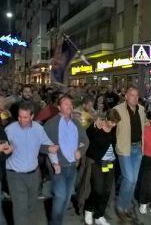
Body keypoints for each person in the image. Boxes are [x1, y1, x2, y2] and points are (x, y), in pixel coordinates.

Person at [4, 102, 60, 225]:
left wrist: (55, 163)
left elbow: (50, 146)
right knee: (20, 207)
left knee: (31, 205)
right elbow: (1, 150)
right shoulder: (10, 130)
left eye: (25, 117)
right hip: (15, 174)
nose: (21, 120)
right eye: (19, 117)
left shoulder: (38, 129)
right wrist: (5, 150)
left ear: (32, 116)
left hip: (33, 174)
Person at [44, 94, 90, 225]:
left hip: (72, 167)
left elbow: (85, 140)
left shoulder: (76, 122)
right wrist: (48, 148)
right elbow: (39, 144)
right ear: (59, 107)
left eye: (71, 104)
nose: (70, 106)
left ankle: (59, 221)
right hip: (58, 167)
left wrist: (80, 151)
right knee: (60, 196)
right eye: (66, 104)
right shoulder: (51, 124)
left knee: (66, 198)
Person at [113, 86, 146, 222]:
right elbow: (109, 122)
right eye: (132, 95)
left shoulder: (142, 109)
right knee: (130, 178)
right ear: (126, 96)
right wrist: (98, 122)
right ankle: (120, 206)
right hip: (124, 148)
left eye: (136, 95)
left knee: (134, 180)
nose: (135, 97)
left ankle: (126, 207)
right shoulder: (118, 110)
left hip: (138, 148)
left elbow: (146, 124)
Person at [83, 109, 120, 225]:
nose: (114, 125)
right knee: (98, 189)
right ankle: (89, 209)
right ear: (107, 119)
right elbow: (87, 134)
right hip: (97, 162)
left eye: (116, 123)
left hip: (110, 163)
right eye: (112, 122)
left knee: (107, 189)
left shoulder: (114, 129)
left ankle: (99, 215)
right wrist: (94, 124)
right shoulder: (97, 127)